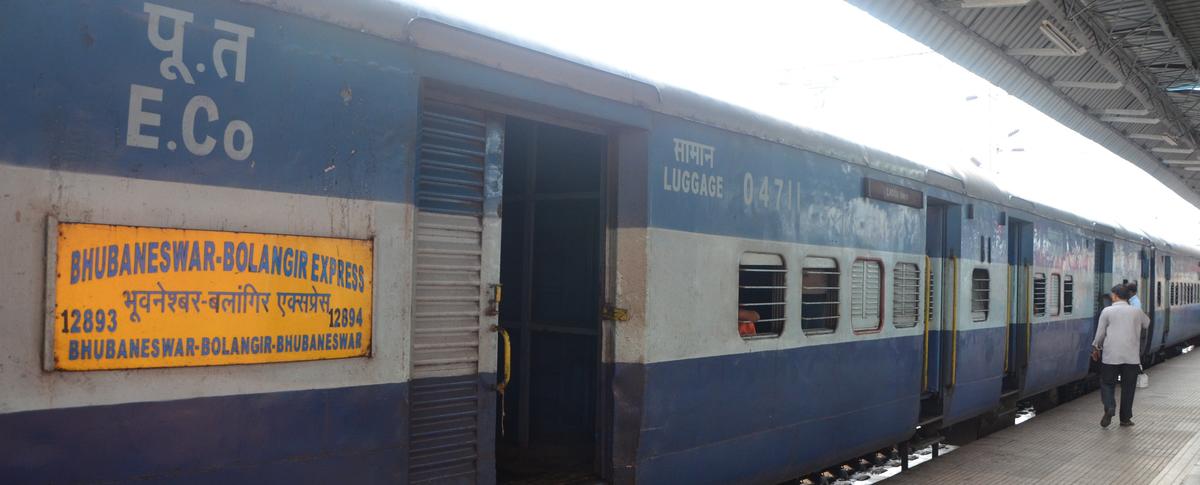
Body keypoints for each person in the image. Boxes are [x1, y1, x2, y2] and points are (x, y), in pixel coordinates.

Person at [1091, 284, 1150, 427]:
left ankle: (1110, 406)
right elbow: (1147, 323)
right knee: (1128, 388)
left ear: (1115, 296)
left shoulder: (1107, 311)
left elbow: (1100, 334)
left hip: (1111, 356)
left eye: (1112, 294)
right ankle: (1125, 418)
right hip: (1131, 357)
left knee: (1107, 383)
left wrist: (1096, 347)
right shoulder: (1136, 311)